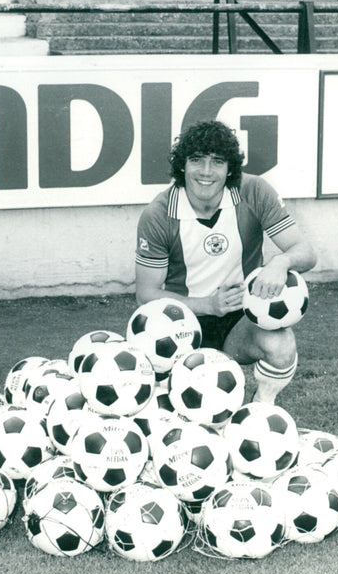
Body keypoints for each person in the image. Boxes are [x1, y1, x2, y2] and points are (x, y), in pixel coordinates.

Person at [134, 119, 317, 404]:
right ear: (182, 166)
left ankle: (260, 409)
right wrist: (208, 305)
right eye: (197, 161)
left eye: (217, 162)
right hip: (181, 322)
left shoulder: (253, 192)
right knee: (182, 414)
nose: (206, 172)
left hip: (239, 317)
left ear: (230, 168)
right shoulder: (159, 214)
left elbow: (305, 251)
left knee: (281, 344)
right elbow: (147, 294)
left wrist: (279, 263)